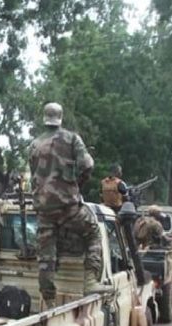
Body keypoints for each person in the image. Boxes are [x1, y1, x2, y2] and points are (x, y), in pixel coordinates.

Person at [28, 102, 109, 305]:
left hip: (44, 210)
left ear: (44, 118)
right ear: (61, 117)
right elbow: (88, 164)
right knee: (92, 231)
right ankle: (90, 281)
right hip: (68, 208)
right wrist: (77, 183)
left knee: (46, 258)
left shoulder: (34, 145)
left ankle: (48, 301)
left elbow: (34, 175)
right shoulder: (72, 138)